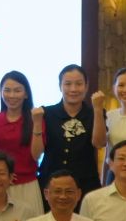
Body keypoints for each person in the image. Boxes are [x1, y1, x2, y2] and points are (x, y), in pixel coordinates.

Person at [36, 64, 101, 196]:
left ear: (86, 86)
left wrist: (98, 110)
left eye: (79, 84)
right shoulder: (46, 113)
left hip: (85, 184)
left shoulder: (94, 113)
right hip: (50, 183)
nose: (73, 89)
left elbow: (99, 143)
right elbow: (36, 154)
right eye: (68, 84)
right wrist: (36, 123)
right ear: (60, 86)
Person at [0, 70, 43, 217]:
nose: (12, 95)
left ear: (26, 94)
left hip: (27, 186)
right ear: (1, 93)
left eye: (17, 90)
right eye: (7, 90)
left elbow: (36, 155)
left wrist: (37, 123)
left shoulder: (36, 119)